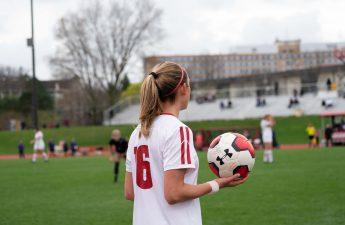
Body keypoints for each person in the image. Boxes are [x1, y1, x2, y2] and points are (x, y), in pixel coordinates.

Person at [124, 62, 247, 225]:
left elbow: (130, 192)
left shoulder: (138, 132)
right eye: (189, 85)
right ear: (183, 88)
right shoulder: (177, 130)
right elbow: (174, 193)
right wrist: (217, 184)